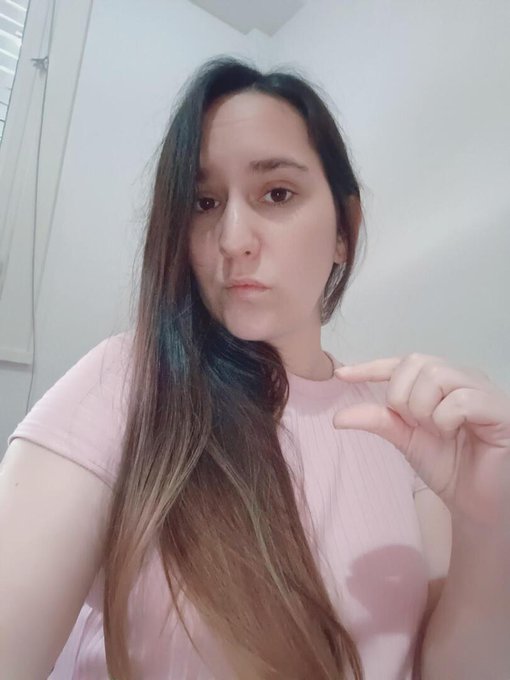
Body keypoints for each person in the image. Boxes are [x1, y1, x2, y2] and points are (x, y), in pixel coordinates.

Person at [0, 56, 463, 680]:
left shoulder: (399, 420)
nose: (232, 238)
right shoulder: (128, 380)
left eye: (277, 193)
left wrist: (491, 514)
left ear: (344, 231)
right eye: (204, 202)